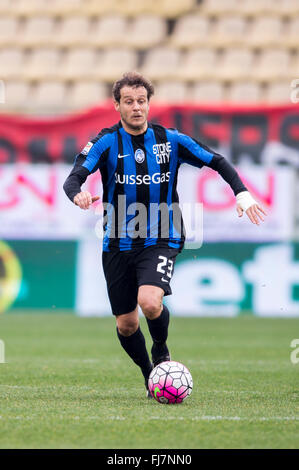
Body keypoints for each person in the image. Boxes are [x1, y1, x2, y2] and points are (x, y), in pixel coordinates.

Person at [63, 72, 266, 398]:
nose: (136, 107)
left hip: (162, 233)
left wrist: (242, 193)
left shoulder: (170, 139)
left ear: (148, 104)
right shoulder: (105, 142)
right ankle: (150, 375)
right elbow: (74, 178)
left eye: (141, 101)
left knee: (150, 301)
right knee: (126, 324)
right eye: (128, 102)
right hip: (116, 241)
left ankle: (161, 349)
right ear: (117, 105)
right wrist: (77, 195)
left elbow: (218, 161)